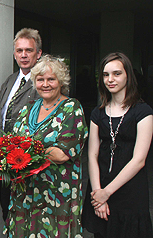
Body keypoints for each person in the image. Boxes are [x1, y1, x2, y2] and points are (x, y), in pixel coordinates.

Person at [5, 55, 88, 237]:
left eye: (51, 79)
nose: (45, 84)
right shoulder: (28, 108)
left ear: (61, 81)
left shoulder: (71, 108)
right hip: (24, 193)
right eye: (40, 79)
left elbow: (61, 154)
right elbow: (12, 144)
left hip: (56, 195)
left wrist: (24, 153)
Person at [82, 52, 153, 238]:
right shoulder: (98, 114)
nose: (110, 79)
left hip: (130, 190)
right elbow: (92, 155)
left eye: (116, 73)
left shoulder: (143, 111)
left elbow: (139, 160)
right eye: (105, 75)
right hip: (100, 186)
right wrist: (98, 195)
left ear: (128, 75)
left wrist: (107, 193)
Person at [0, 28, 42, 221]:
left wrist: (20, 150)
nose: (24, 55)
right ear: (14, 54)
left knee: (27, 215)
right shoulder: (10, 80)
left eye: (29, 50)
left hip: (28, 164)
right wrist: (2, 145)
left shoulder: (43, 83)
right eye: (19, 51)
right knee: (7, 210)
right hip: (4, 161)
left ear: (39, 54)